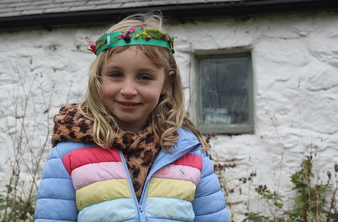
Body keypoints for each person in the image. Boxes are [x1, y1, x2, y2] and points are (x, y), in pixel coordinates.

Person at [35, 12, 230, 222]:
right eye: (116, 75)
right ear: (99, 78)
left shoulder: (190, 153)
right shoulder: (69, 155)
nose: (128, 90)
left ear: (166, 83)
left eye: (144, 77)